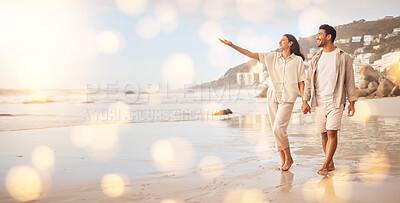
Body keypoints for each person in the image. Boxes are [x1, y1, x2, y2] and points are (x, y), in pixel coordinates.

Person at [220, 34, 306, 171]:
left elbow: (301, 81)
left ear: (290, 43)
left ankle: (289, 158)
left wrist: (305, 100)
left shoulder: (298, 61)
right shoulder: (272, 57)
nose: (279, 41)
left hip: (288, 96)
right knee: (274, 129)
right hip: (273, 94)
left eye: (283, 40)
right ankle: (283, 160)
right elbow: (249, 53)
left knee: (279, 128)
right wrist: (232, 45)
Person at [301, 24, 357, 176]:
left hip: (336, 100)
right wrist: (305, 101)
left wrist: (352, 102)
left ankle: (325, 164)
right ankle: (330, 163)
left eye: (320, 34)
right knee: (324, 134)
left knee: (332, 132)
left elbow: (349, 80)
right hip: (318, 102)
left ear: (329, 36)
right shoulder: (315, 59)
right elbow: (308, 81)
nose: (317, 37)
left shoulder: (343, 57)